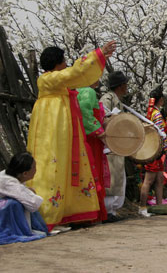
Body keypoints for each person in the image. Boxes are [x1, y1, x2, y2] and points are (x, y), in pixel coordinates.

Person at [27, 42, 115, 231]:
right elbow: (75, 73)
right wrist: (97, 55)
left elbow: (78, 77)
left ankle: (67, 212)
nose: (66, 63)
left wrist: (100, 57)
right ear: (57, 63)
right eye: (64, 60)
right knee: (51, 163)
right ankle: (48, 214)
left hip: (63, 128)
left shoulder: (57, 81)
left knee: (64, 164)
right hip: (52, 127)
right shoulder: (48, 79)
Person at [77, 81, 110, 222]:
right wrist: (99, 131)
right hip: (92, 139)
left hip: (85, 137)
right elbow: (85, 113)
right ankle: (94, 213)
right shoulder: (87, 91)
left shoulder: (78, 90)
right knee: (94, 172)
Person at [0, 152, 48, 244]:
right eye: (34, 167)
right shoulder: (8, 182)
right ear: (25, 173)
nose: (36, 170)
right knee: (14, 204)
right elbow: (33, 203)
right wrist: (30, 193)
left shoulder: (12, 178)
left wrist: (27, 191)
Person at [139, 85, 167, 217]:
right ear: (161, 100)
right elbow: (161, 135)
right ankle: (142, 207)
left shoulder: (151, 112)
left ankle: (159, 206)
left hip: (154, 151)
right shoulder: (156, 114)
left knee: (159, 180)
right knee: (148, 180)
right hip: (155, 151)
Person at [100, 71, 129, 221]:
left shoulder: (117, 100)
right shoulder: (107, 99)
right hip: (109, 144)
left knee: (118, 177)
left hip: (117, 144)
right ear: (121, 85)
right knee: (112, 179)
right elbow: (104, 118)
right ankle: (107, 211)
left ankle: (113, 211)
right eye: (125, 84)